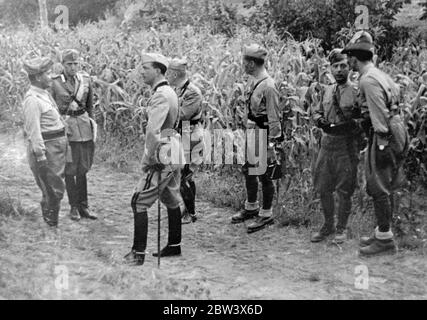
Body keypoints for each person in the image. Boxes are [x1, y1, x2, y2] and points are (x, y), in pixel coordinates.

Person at [342, 31, 409, 256]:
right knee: (384, 184)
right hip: (397, 128)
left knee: (377, 185)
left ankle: (385, 241)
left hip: (385, 133)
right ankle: (382, 234)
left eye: (349, 56)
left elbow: (379, 115)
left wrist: (380, 144)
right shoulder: (379, 74)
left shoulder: (367, 80)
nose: (348, 61)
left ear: (354, 57)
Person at [124, 53, 183, 266]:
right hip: (174, 148)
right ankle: (174, 245)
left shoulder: (159, 95)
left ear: (158, 70)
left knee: (138, 201)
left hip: (162, 153)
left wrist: (149, 159)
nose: (141, 71)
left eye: (145, 67)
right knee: (170, 197)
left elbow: (152, 133)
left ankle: (137, 253)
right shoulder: (170, 91)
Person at [311, 49, 361, 244]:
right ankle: (327, 225)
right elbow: (316, 111)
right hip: (327, 143)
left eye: (343, 66)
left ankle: (341, 228)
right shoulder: (327, 90)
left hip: (346, 145)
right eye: (335, 66)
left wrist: (350, 125)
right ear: (330, 68)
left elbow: (363, 118)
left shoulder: (356, 91)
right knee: (323, 187)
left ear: (349, 67)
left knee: (344, 189)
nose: (339, 70)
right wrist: (320, 121)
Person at [231, 44, 282, 234]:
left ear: (251, 63)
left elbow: (274, 117)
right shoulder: (254, 81)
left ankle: (266, 213)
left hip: (263, 133)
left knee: (265, 174)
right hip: (252, 132)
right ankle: (251, 207)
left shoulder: (268, 86)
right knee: (249, 170)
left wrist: (271, 145)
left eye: (245, 61)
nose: (243, 65)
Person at [51, 49, 97, 221]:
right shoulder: (55, 83)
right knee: (70, 170)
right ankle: (73, 207)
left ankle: (84, 206)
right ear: (62, 65)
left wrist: (93, 126)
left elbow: (90, 107)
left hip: (84, 129)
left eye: (75, 63)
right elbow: (52, 109)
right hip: (67, 130)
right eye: (69, 64)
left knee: (83, 169)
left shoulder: (85, 80)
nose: (73, 67)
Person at [22, 56, 67, 227]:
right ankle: (50, 226)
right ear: (38, 77)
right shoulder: (33, 99)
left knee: (56, 186)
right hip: (48, 149)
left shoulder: (44, 94)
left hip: (56, 146)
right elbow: (33, 131)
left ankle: (50, 220)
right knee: (52, 188)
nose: (51, 76)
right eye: (48, 73)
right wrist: (40, 155)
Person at [167, 58, 204, 225]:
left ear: (175, 74)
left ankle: (191, 213)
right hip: (182, 135)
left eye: (168, 72)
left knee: (185, 175)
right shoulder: (178, 89)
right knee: (183, 175)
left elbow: (182, 115)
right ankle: (188, 209)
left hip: (191, 136)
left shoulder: (192, 92)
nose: (166, 76)